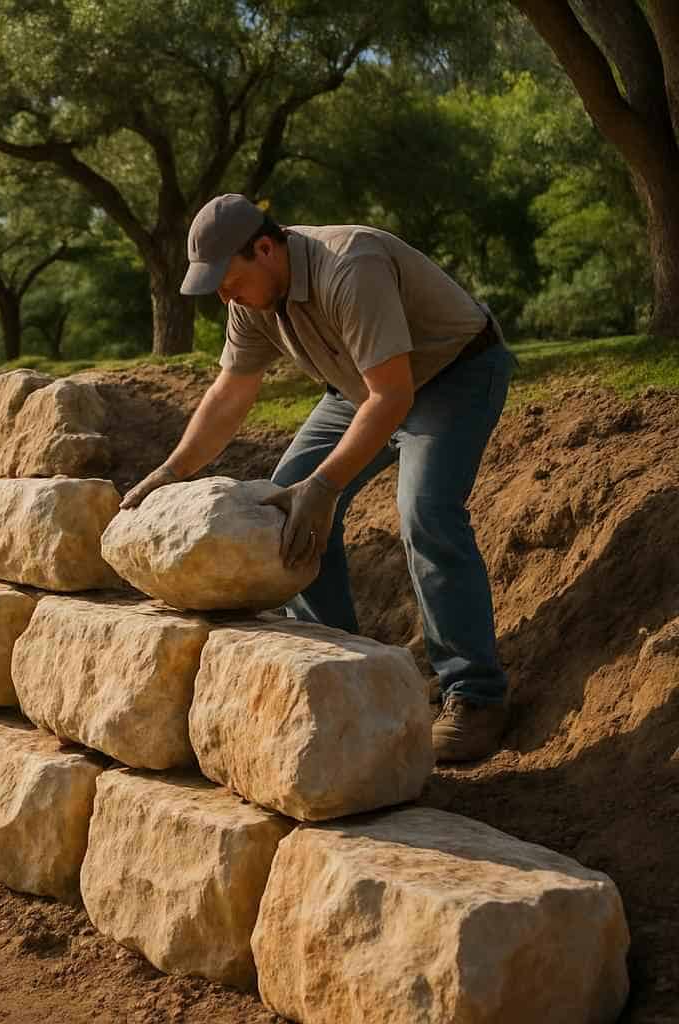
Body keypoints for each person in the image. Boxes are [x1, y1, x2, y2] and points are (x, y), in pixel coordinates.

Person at [122, 194, 515, 762]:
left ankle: (476, 695)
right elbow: (231, 392)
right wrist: (172, 469)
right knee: (287, 506)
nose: (226, 298)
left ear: (265, 248)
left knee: (426, 511)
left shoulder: (349, 266)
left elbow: (393, 396)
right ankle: (341, 676)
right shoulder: (249, 298)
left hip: (452, 375)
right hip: (361, 388)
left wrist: (325, 487)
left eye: (230, 282)